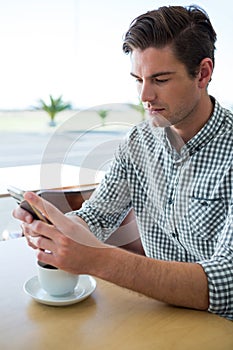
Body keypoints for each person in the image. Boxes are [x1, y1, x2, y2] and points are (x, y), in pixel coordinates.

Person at [14, 5, 233, 320]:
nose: (144, 95)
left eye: (159, 79)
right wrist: (56, 227)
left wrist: (97, 259)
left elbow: (227, 282)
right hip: (161, 318)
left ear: (203, 73)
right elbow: (98, 217)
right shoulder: (137, 143)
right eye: (138, 79)